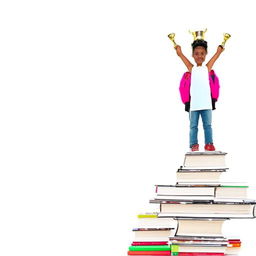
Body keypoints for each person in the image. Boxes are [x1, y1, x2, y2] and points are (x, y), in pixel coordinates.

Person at [175, 39, 224, 151]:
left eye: (202, 53)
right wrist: (179, 53)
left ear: (206, 54)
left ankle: (209, 143)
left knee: (208, 126)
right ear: (192, 55)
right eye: (196, 54)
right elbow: (183, 59)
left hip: (206, 105)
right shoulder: (192, 69)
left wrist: (219, 52)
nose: (199, 56)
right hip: (194, 106)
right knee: (193, 127)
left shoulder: (207, 68)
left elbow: (215, 58)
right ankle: (193, 144)